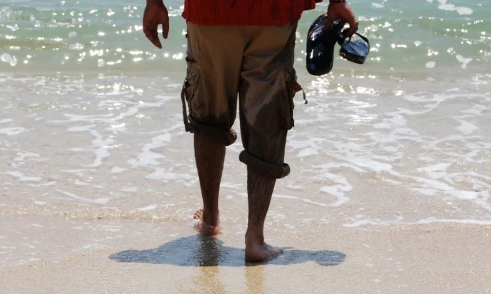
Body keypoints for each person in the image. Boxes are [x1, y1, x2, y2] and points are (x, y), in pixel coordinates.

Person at [143, 0, 358, 262]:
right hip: (274, 11)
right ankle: (255, 238)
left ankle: (210, 218)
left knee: (209, 112)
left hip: (211, 10)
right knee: (266, 119)